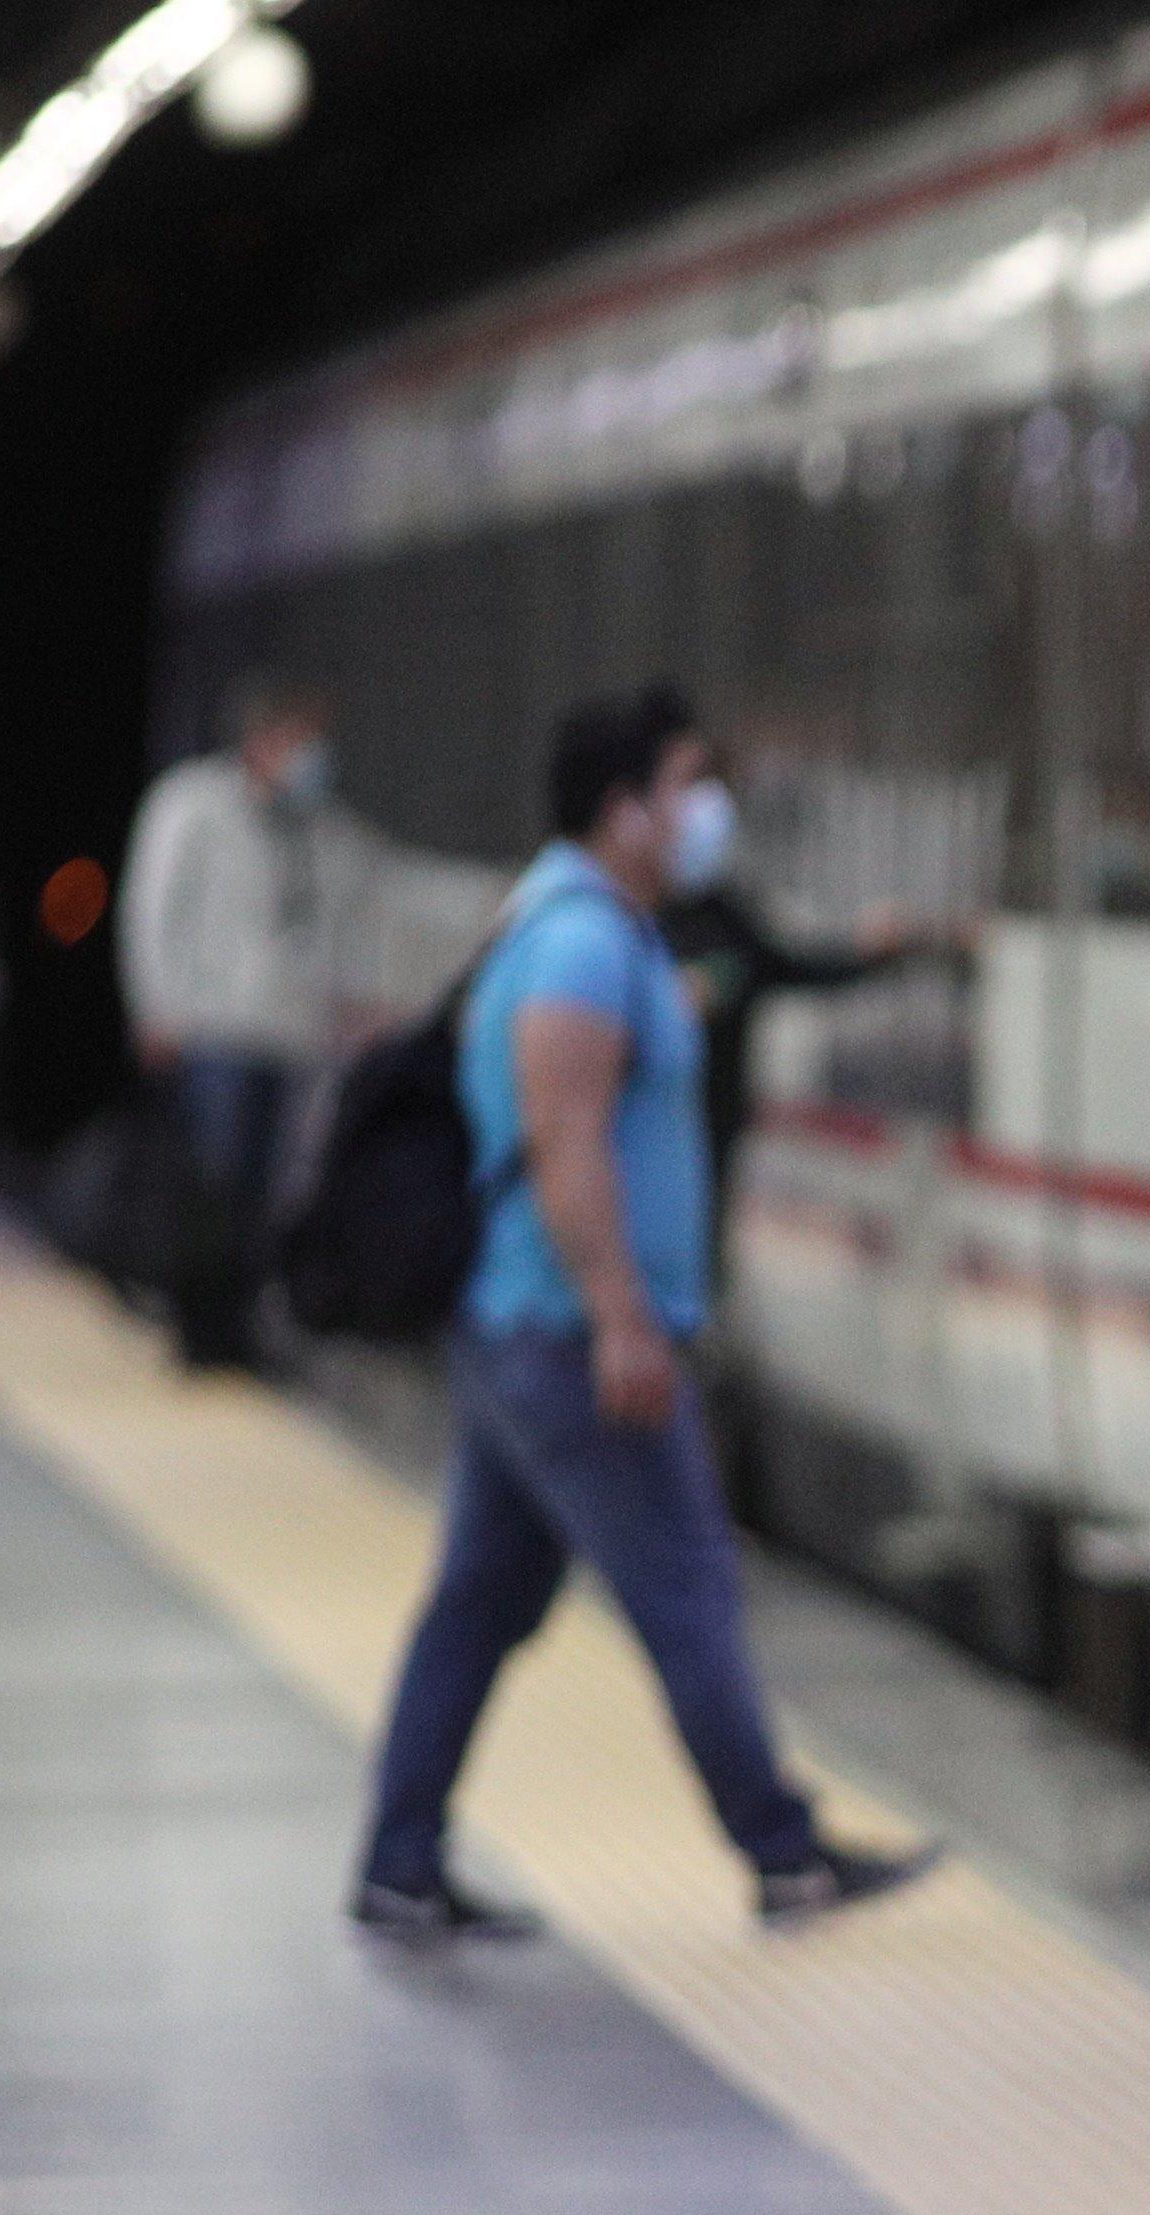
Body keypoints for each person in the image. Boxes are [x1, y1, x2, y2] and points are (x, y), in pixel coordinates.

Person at [352, 697, 937, 1944]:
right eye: (686, 786)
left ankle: (400, 1863)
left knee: (481, 1599)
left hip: (527, 1327)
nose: (706, 812)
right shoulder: (578, 946)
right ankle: (787, 1856)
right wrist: (623, 1317)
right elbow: (564, 1143)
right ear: (623, 810)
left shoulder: (596, 927)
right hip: (565, 1333)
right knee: (685, 1584)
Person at [606, 684, 965, 1262]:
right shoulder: (599, 926)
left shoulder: (724, 917)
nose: (701, 809)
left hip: (702, 1165)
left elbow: (784, 964)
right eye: (684, 785)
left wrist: (873, 950)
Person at [115, 678, 340, 1365]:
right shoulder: (193, 803)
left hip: (282, 1032)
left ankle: (240, 1326)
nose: (315, 756)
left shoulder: (308, 825)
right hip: (212, 1028)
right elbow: (150, 907)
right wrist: (155, 1006)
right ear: (265, 737)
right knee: (211, 1185)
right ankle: (198, 1324)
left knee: (261, 1194)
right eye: (303, 739)